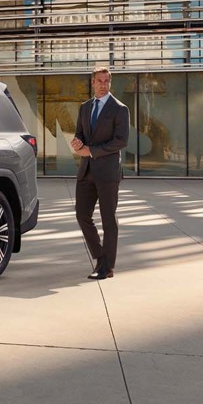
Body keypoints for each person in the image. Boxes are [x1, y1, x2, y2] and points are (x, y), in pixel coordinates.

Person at [70, 67, 130, 280]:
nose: (103, 84)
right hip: (86, 170)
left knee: (108, 220)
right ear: (93, 83)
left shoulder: (119, 109)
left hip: (107, 172)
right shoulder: (85, 108)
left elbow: (121, 141)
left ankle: (107, 267)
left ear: (109, 83)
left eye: (107, 80)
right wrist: (78, 143)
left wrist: (92, 151)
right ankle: (100, 257)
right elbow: (80, 133)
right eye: (99, 80)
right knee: (82, 215)